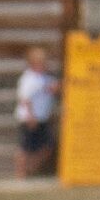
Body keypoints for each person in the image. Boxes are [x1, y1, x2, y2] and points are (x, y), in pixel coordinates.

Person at [16, 43, 62, 179]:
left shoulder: (45, 77)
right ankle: (21, 173)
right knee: (25, 147)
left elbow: (53, 88)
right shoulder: (28, 78)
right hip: (30, 118)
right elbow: (25, 98)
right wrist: (30, 116)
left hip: (42, 118)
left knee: (47, 146)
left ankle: (30, 168)